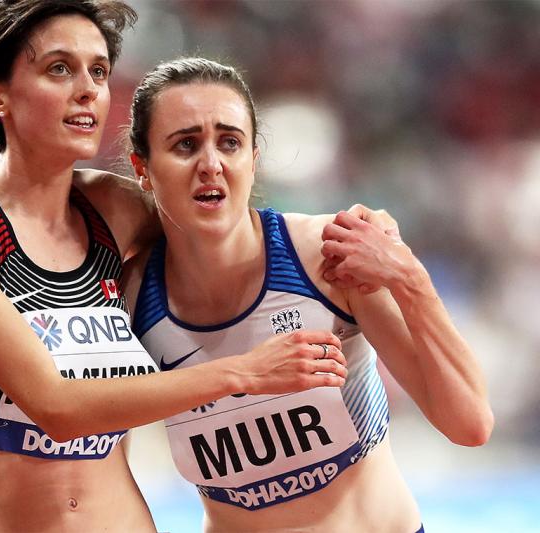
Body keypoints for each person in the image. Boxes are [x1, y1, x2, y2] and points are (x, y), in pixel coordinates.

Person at [0, 2, 359, 531]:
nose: (88, 90)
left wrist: (353, 230)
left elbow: (231, 219)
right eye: (59, 68)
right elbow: (57, 409)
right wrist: (243, 372)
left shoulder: (116, 211)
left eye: (98, 70)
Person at [123, 57, 494, 532]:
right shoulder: (133, 298)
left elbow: (469, 424)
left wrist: (410, 279)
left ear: (253, 162)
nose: (211, 165)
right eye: (186, 144)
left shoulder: (328, 256)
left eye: (230, 143)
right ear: (143, 168)